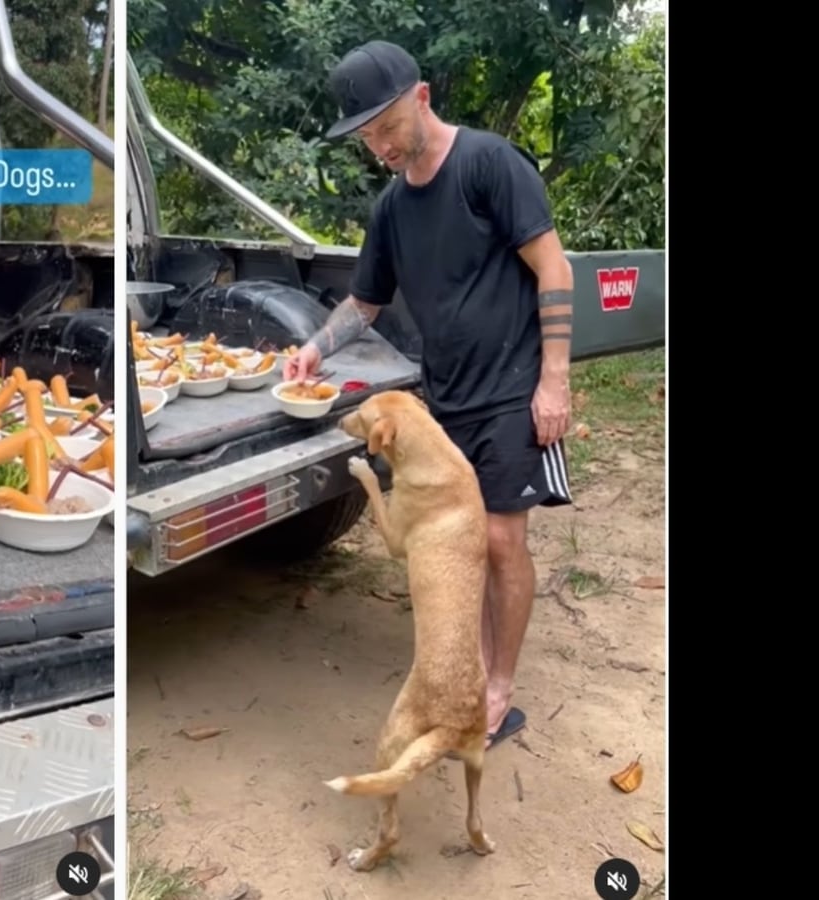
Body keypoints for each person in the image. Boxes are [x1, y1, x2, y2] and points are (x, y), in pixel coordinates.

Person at [285, 40, 575, 751]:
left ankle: (497, 688)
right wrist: (315, 347)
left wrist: (554, 380)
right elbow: (366, 303)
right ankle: (468, 673)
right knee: (463, 543)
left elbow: (554, 269)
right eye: (365, 136)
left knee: (504, 541)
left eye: (385, 127)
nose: (378, 145)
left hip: (512, 390)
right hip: (443, 403)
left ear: (420, 98)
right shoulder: (391, 210)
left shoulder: (489, 165)